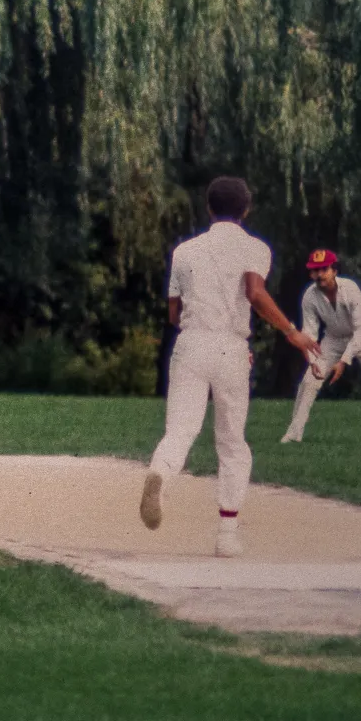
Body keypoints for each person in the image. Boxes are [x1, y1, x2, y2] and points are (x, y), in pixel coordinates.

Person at [140, 177, 321, 555]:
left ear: (209, 208)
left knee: (180, 430)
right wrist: (291, 332)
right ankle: (227, 535)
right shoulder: (255, 247)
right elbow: (254, 293)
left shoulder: (184, 251)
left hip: (190, 344)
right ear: (246, 209)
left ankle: (160, 471)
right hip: (231, 348)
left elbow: (174, 313)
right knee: (232, 442)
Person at [279, 249, 361, 446]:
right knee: (309, 382)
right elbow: (310, 335)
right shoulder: (309, 297)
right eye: (315, 271)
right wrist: (312, 362)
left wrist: (343, 361)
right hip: (334, 338)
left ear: (334, 270)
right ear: (311, 274)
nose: (320, 275)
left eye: (324, 269)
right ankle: (294, 435)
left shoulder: (350, 289)